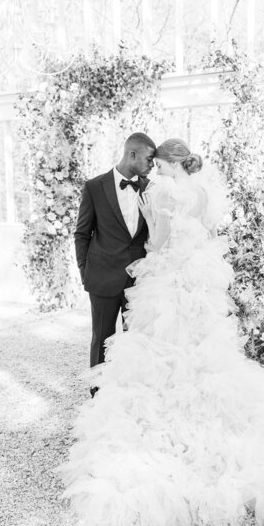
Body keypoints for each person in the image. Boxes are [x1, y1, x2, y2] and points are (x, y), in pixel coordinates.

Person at [59, 138, 264, 526]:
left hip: (167, 286)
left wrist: (148, 223)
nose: (154, 172)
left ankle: (155, 422)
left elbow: (157, 244)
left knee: (158, 350)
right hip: (198, 287)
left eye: (158, 166)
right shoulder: (201, 193)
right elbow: (206, 236)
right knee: (197, 352)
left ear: (167, 163)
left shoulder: (163, 192)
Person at [74, 132, 156, 397]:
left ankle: (130, 393)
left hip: (140, 280)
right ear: (132, 154)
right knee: (102, 338)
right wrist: (85, 271)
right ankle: (99, 395)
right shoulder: (94, 187)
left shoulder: (152, 188)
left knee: (136, 339)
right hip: (102, 277)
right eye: (149, 159)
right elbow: (82, 234)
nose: (152, 165)